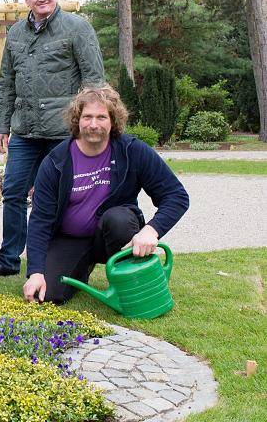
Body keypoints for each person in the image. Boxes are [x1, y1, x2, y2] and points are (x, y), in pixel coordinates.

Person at [0, 0, 106, 279]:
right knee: (12, 192)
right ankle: (9, 259)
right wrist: (1, 124)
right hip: (25, 131)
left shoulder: (77, 29)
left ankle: (53, 259)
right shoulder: (15, 34)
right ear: (27, 0)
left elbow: (93, 81)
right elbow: (7, 83)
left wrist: (89, 125)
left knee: (58, 197)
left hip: (63, 132)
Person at [22, 86, 190, 304]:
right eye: (87, 117)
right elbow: (40, 221)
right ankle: (81, 267)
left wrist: (151, 230)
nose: (93, 124)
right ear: (77, 120)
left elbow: (176, 196)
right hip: (70, 239)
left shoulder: (132, 151)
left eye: (101, 117)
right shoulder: (56, 161)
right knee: (47, 295)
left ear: (113, 121)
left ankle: (133, 280)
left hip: (117, 235)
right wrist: (35, 272)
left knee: (119, 220)